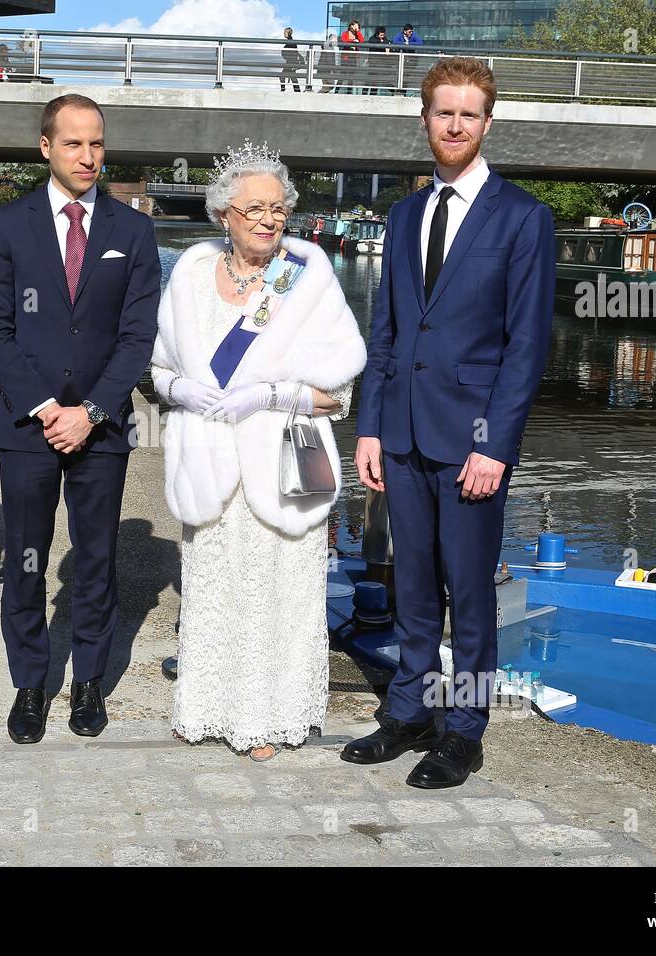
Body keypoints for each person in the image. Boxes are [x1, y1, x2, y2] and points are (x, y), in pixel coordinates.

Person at [345, 57, 554, 788]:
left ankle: (463, 728)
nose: (456, 124)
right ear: (425, 119)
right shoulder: (404, 216)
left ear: (487, 122)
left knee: (468, 594)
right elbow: (388, 332)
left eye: (469, 114)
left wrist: (496, 444)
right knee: (410, 587)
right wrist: (369, 428)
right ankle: (407, 711)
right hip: (400, 435)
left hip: (472, 443)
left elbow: (526, 345)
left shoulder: (524, 216)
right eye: (443, 112)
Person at [152, 141, 365, 760]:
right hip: (210, 462)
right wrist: (181, 388)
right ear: (224, 214)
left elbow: (339, 394)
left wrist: (270, 395)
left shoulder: (305, 275)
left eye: (278, 208)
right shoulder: (191, 273)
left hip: (280, 464)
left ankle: (270, 719)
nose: (269, 220)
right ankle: (209, 708)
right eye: (255, 210)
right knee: (216, 589)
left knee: (279, 595)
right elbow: (161, 369)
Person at [0, 93, 161, 745]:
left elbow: (138, 338)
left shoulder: (133, 232)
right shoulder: (7, 226)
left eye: (98, 143)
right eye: (75, 143)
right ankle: (30, 685)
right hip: (27, 428)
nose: (88, 156)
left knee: (96, 559)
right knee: (27, 560)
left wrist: (92, 411)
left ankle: (88, 683)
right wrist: (50, 408)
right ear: (45, 148)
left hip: (103, 430)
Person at [338, 19, 366, 94]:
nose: (356, 28)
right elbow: (344, 40)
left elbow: (362, 40)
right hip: (345, 58)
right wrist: (353, 41)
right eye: (355, 26)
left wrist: (357, 31)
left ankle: (349, 92)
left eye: (358, 27)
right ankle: (337, 91)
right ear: (351, 26)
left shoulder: (357, 34)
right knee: (342, 75)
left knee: (351, 76)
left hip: (353, 58)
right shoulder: (345, 33)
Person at [280, 27, 304, 92]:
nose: (284, 34)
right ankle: (297, 91)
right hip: (291, 63)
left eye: (285, 32)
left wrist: (283, 51)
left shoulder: (290, 42)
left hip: (290, 63)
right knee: (293, 77)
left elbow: (292, 53)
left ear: (289, 33)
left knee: (283, 76)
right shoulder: (291, 41)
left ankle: (283, 89)